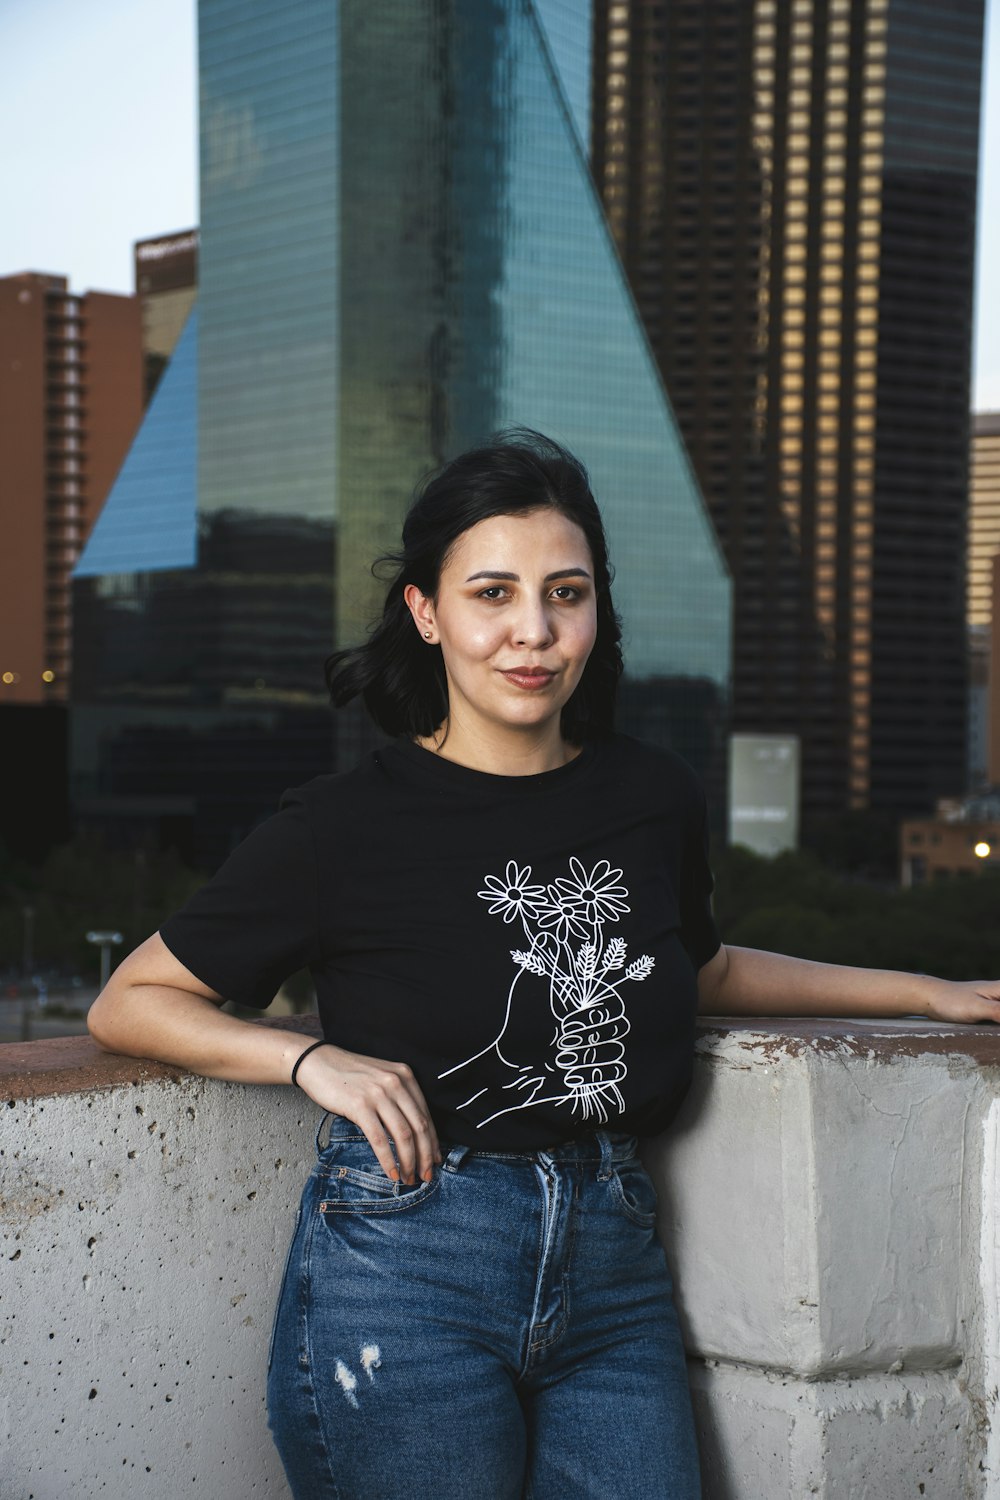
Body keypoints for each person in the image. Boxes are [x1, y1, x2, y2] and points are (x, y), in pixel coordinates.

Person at [87, 430, 1000, 1500]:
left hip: (614, 1270)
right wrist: (308, 1063)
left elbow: (691, 972)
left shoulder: (651, 795)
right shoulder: (342, 825)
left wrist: (925, 993)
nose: (533, 631)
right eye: (492, 594)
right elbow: (131, 1001)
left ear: (596, 609)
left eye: (565, 593)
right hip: (408, 1266)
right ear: (426, 614)